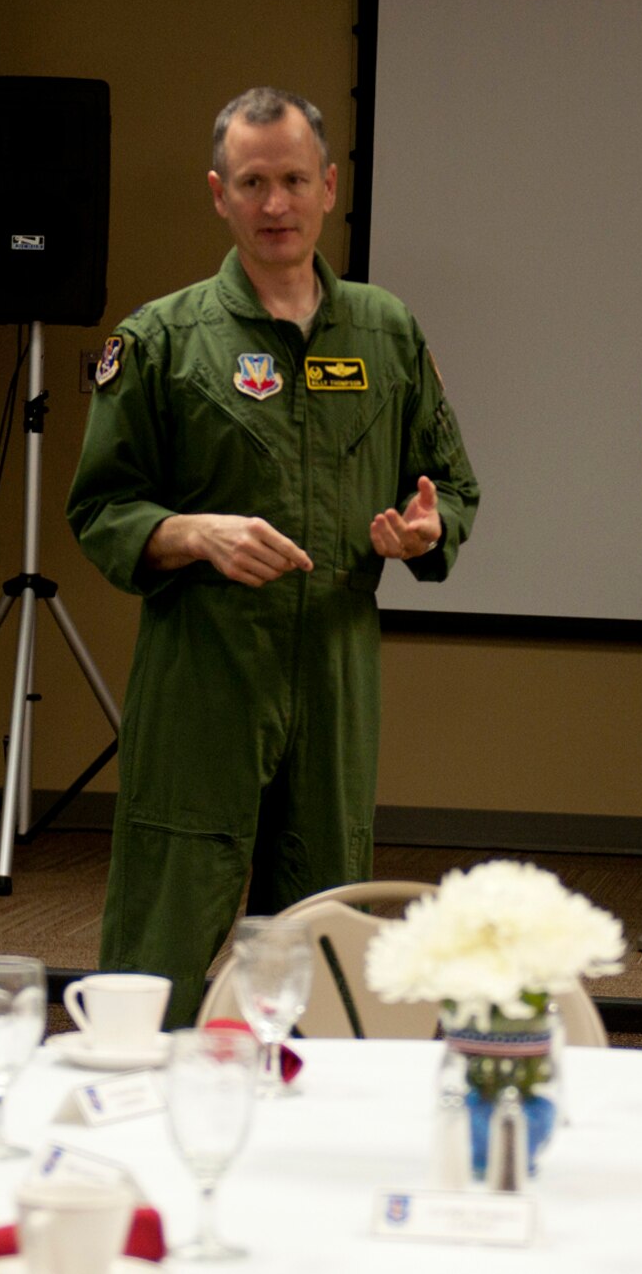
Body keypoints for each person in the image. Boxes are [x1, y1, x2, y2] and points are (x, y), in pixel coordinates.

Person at [67, 88, 479, 1026]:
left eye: (294, 180)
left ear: (329, 187)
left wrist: (426, 531)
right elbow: (100, 507)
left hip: (334, 668)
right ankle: (139, 1112)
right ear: (219, 194)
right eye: (253, 182)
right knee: (165, 921)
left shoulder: (387, 333)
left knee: (323, 929)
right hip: (204, 668)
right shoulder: (163, 340)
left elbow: (452, 490)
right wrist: (192, 532)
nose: (275, 203)